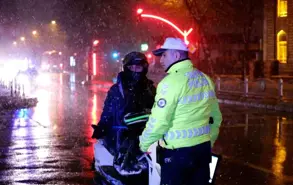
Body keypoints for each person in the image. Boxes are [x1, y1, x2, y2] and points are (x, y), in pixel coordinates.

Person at [139, 38, 223, 185]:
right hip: (202, 151)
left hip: (177, 154)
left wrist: (144, 144)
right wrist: (209, 141)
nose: (161, 60)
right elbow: (216, 117)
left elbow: (159, 121)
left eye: (164, 55)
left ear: (176, 56)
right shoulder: (205, 79)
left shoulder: (170, 83)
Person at [92, 51, 156, 155]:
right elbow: (108, 111)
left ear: (144, 69)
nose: (135, 71)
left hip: (145, 135)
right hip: (120, 135)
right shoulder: (116, 90)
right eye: (132, 68)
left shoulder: (150, 89)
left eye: (138, 68)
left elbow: (158, 110)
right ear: (126, 68)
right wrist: (102, 126)